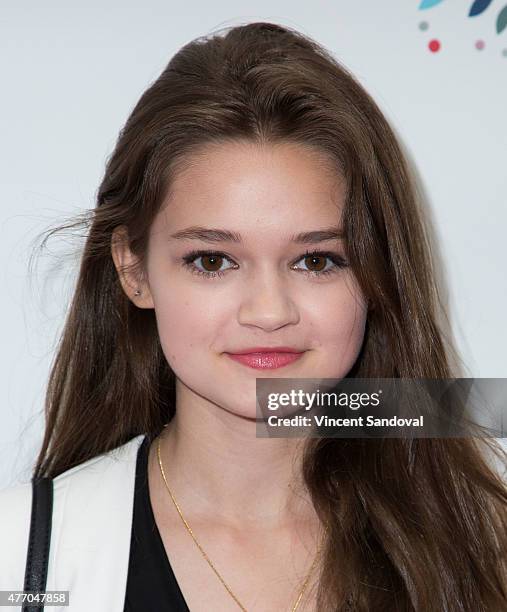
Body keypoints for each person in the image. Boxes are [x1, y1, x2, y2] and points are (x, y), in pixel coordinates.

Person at [1, 21, 506, 612]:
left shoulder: (483, 548)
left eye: (317, 260)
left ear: (378, 273)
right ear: (134, 270)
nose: (269, 312)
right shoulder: (21, 561)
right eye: (213, 260)